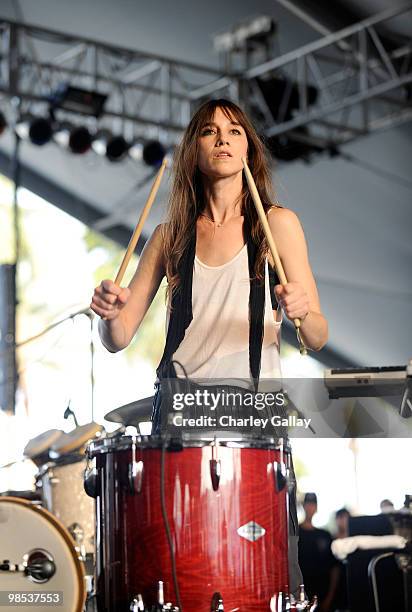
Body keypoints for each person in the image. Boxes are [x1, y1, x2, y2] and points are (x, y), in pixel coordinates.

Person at [90, 98, 328, 597]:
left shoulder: (278, 224)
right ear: (193, 149)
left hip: (254, 403)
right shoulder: (170, 234)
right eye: (210, 131)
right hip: (181, 403)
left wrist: (303, 309)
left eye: (235, 130)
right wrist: (108, 315)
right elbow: (118, 338)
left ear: (248, 149)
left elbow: (318, 335)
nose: (223, 138)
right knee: (184, 562)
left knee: (261, 560)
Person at [298, 493, 340, 611]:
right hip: (300, 596)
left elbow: (334, 568)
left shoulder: (325, 535)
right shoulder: (294, 535)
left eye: (313, 505)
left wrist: (330, 598)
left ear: (316, 508)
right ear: (303, 506)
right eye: (308, 504)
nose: (310, 507)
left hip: (323, 595)